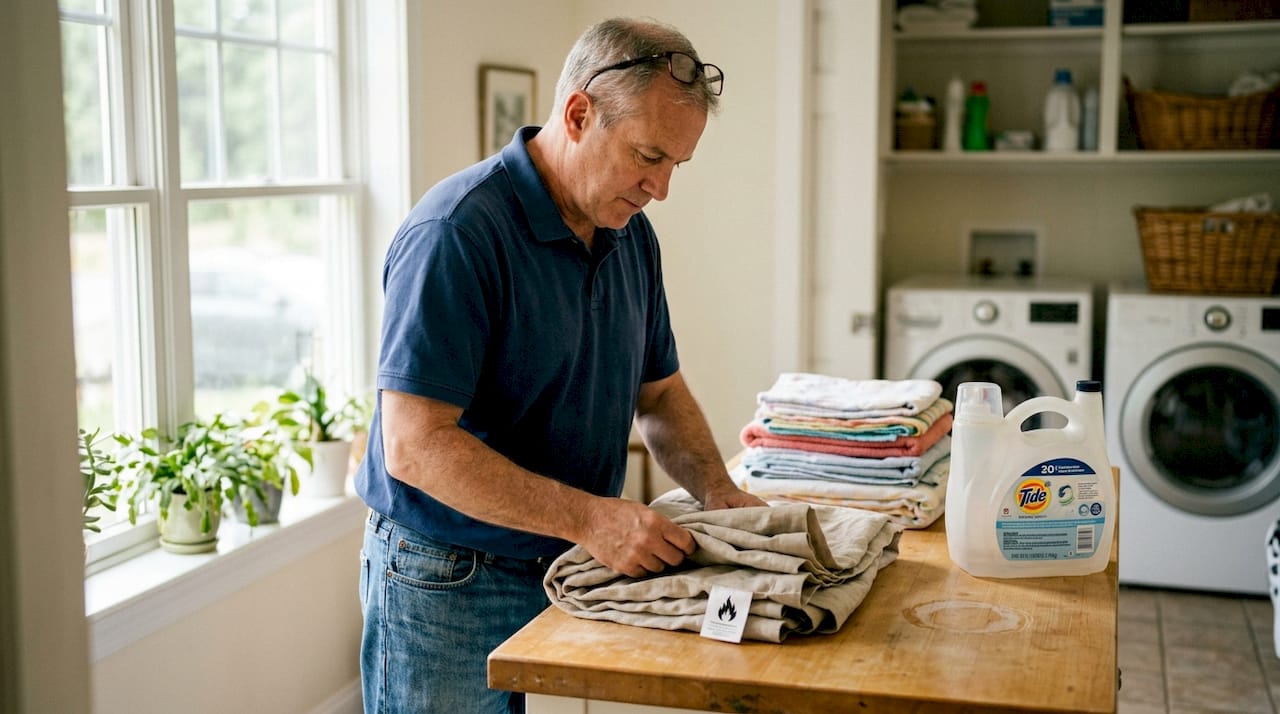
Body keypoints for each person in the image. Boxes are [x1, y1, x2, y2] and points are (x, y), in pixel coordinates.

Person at [354, 16, 767, 714]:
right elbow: (415, 446)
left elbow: (659, 395)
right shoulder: (456, 233)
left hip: (564, 561)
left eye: (675, 165)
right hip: (447, 577)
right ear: (579, 114)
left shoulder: (628, 233)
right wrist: (594, 521)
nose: (660, 188)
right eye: (648, 155)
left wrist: (719, 492)